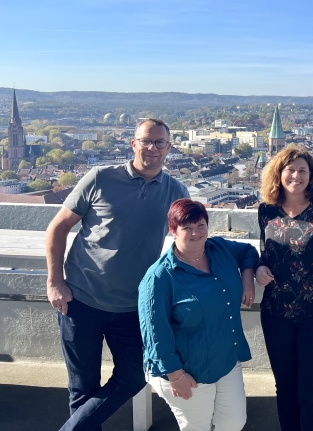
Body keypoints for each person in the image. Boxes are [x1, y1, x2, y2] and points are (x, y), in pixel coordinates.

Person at [45, 119, 188, 431]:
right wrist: (55, 281)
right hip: (81, 300)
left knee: (134, 377)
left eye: (159, 142)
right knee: (82, 388)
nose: (152, 148)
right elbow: (58, 227)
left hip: (132, 308)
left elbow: (190, 244)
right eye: (146, 141)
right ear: (133, 144)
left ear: (169, 147)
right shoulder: (100, 178)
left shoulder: (177, 192)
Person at [138, 199, 258, 431]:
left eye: (200, 225)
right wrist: (175, 375)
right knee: (197, 428)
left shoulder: (219, 249)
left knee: (233, 423)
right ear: (173, 231)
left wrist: (247, 278)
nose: (196, 233)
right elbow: (154, 334)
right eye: (187, 228)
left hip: (226, 359)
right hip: (188, 368)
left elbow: (248, 252)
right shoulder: (159, 277)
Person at [255, 145, 313, 431]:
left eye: (302, 170)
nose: (296, 176)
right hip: (276, 313)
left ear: (312, 175)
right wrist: (258, 268)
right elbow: (265, 253)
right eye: (290, 170)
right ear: (279, 174)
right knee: (285, 390)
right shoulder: (266, 210)